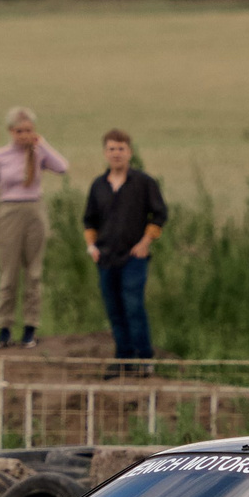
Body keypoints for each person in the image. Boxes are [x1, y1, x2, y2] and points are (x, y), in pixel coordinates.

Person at [0, 106, 69, 348]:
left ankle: (31, 327)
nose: (24, 135)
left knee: (34, 272)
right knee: (8, 274)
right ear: (10, 131)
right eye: (19, 131)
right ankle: (4, 327)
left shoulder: (38, 152)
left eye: (28, 130)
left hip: (35, 210)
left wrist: (43, 144)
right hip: (9, 211)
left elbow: (62, 167)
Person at [83, 129, 167, 367]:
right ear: (105, 153)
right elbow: (89, 220)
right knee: (114, 309)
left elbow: (160, 214)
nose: (116, 153)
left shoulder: (144, 183)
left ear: (129, 152)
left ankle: (144, 358)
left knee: (133, 306)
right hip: (105, 256)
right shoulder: (98, 186)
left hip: (134, 256)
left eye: (121, 149)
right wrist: (91, 246)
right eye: (111, 149)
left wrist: (145, 242)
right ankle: (124, 358)